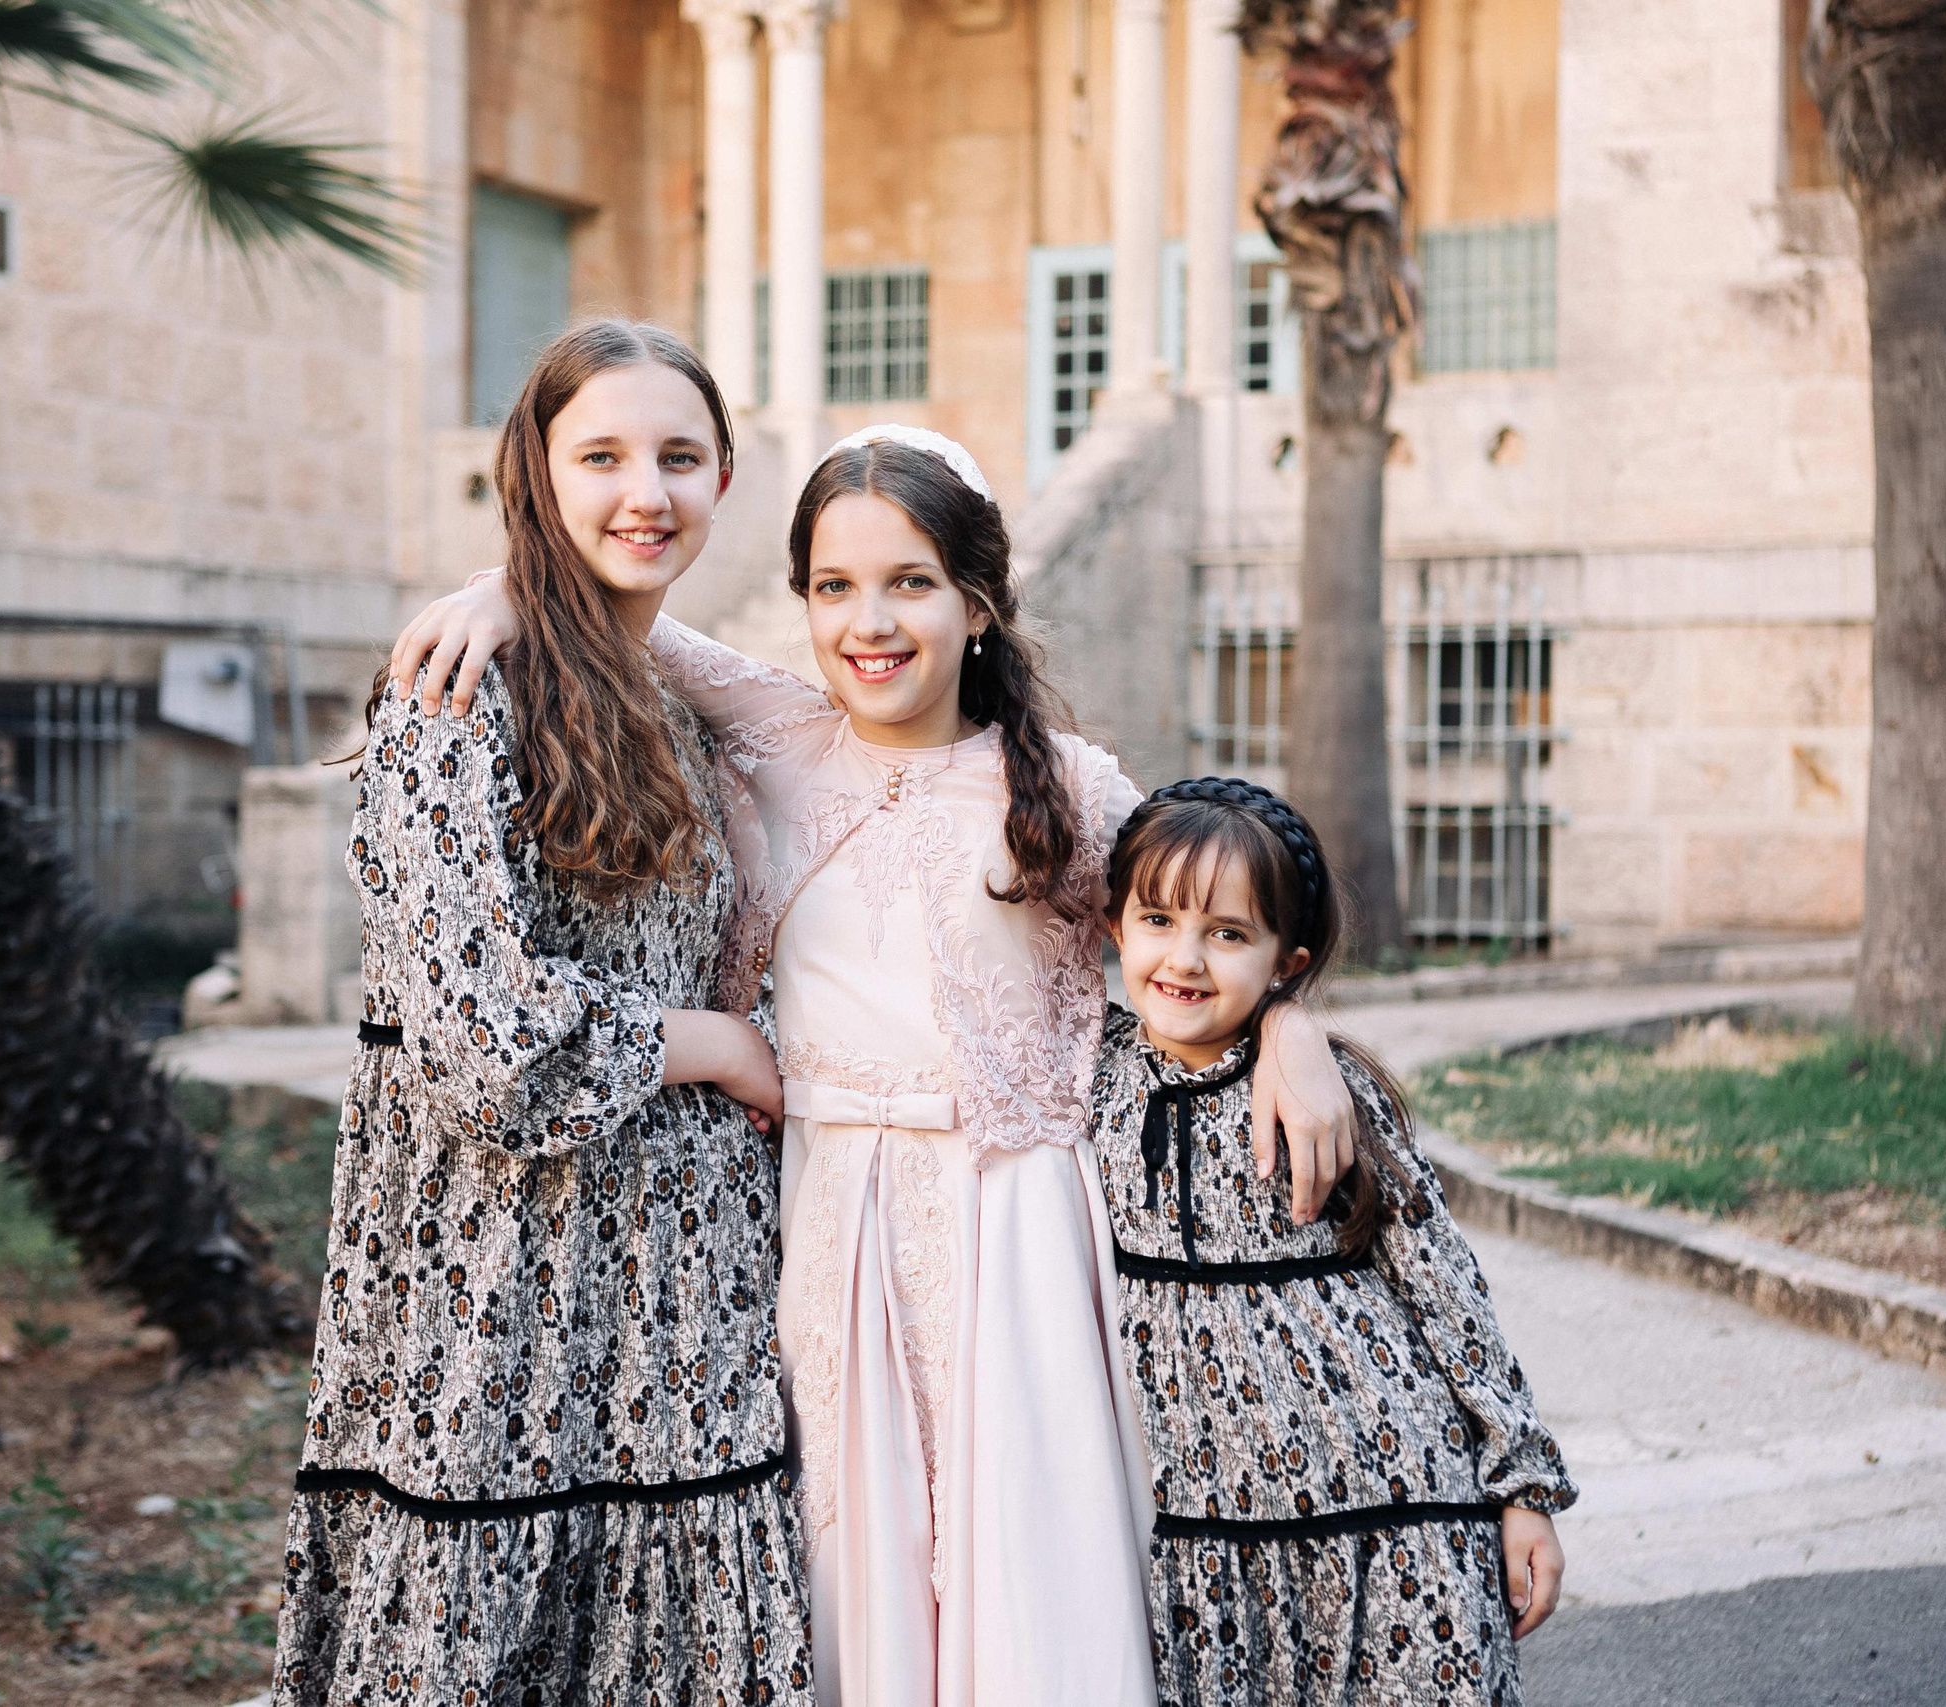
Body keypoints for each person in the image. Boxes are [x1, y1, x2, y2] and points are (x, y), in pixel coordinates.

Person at [386, 425, 1361, 1707]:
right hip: (825, 1230)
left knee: (1029, 1575)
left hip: (1017, 1236)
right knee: (855, 1578)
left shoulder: (1058, 788)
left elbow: (1218, 919)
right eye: (833, 588)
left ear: (977, 601)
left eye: (908, 583)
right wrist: (506, 586)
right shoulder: (782, 739)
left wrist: (1291, 1027)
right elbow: (626, 613)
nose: (870, 623)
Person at [271, 319, 812, 1705]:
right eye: (605, 455)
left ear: (727, 479)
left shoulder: (691, 708)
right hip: (503, 1292)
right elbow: (491, 1044)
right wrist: (715, 1043)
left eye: (682, 456)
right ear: (538, 471)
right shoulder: (452, 696)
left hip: (688, 1296)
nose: (649, 491)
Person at [1091, 776, 1575, 1706]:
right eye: (1158, 920)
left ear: (1286, 959)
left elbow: (1444, 1285)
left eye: (1228, 933)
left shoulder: (1331, 1090)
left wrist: (1523, 1490)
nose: (1185, 958)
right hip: (1204, 1541)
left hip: (1393, 1507)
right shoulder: (1088, 1071)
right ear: (1115, 929)